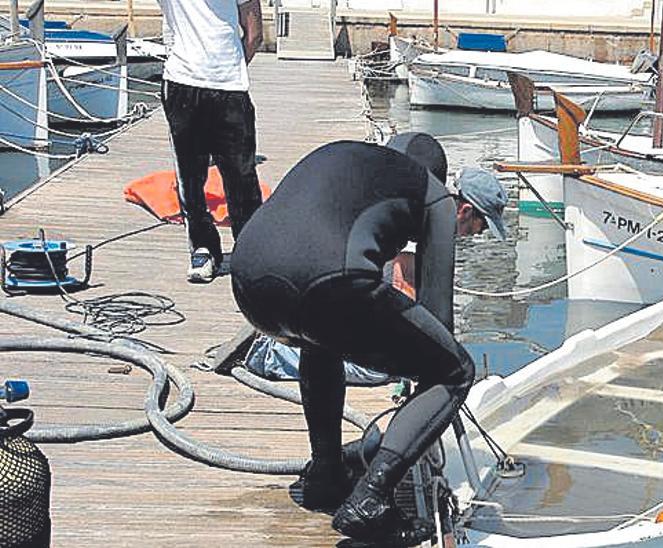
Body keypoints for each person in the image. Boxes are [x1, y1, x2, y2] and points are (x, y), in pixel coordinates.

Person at [229, 133, 508, 545]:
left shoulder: (351, 161)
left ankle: (326, 474)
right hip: (322, 280)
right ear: (464, 206)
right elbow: (439, 324)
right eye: (480, 226)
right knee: (454, 369)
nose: (473, 234)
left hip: (248, 283)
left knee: (322, 335)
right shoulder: (435, 198)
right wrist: (425, 404)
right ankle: (371, 498)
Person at [157, 0, 265, 283]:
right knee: (190, 175)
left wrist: (227, 70)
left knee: (241, 174)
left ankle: (250, 250)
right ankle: (204, 248)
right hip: (182, 82)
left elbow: (254, 34)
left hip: (229, 86)